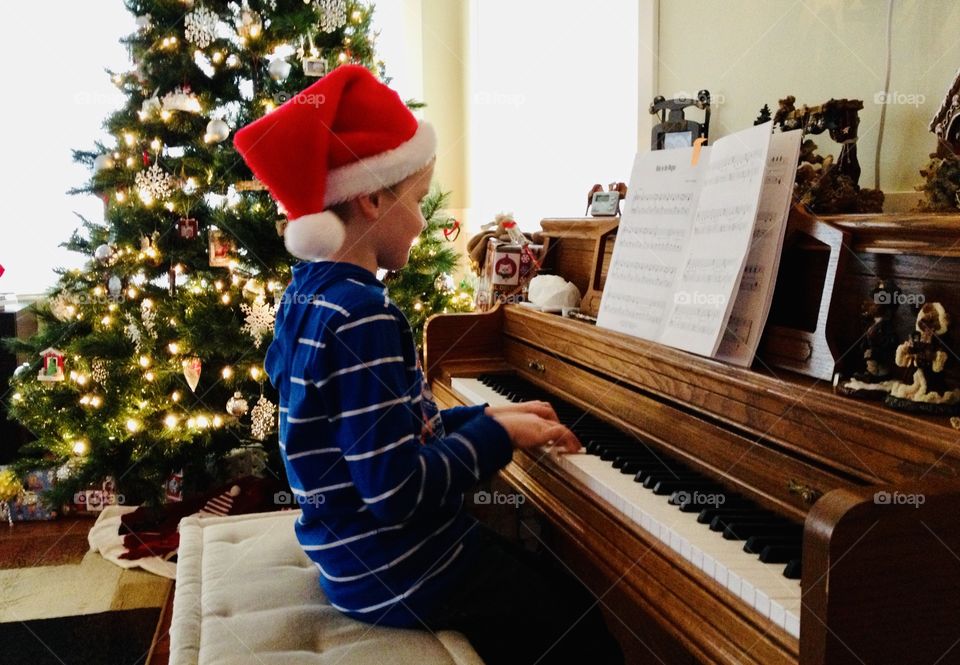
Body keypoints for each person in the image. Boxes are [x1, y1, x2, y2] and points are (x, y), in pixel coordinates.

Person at [234, 64, 623, 665]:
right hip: (396, 569)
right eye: (416, 201)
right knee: (580, 626)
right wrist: (497, 434)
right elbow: (397, 491)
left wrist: (488, 417)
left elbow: (386, 440)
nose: (422, 220)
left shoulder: (310, 293)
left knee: (541, 578)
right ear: (371, 198)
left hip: (354, 558)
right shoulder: (363, 314)